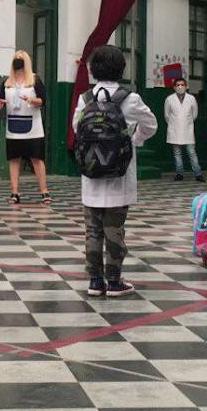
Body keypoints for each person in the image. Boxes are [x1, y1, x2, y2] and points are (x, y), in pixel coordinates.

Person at [72, 45, 157, 298]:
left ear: (93, 70)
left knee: (93, 230)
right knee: (115, 229)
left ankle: (95, 281)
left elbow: (77, 129)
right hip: (120, 174)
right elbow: (150, 125)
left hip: (91, 175)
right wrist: (134, 139)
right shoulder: (131, 99)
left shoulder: (85, 99)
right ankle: (115, 281)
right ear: (121, 69)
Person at [0, 50, 51, 204]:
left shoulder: (34, 80)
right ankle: (14, 192)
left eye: (20, 59)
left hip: (33, 128)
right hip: (13, 127)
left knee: (37, 159)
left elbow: (43, 101)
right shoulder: (7, 83)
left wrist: (32, 100)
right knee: (14, 159)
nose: (17, 62)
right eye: (15, 59)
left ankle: (44, 191)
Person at [164, 77, 202, 182]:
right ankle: (179, 173)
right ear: (174, 87)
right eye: (178, 85)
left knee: (191, 152)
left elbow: (195, 114)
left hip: (188, 129)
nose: (180, 87)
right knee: (177, 153)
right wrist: (175, 123)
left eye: (182, 85)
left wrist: (186, 122)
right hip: (174, 130)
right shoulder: (169, 99)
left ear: (186, 86)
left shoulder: (191, 99)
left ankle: (198, 174)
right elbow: (167, 116)